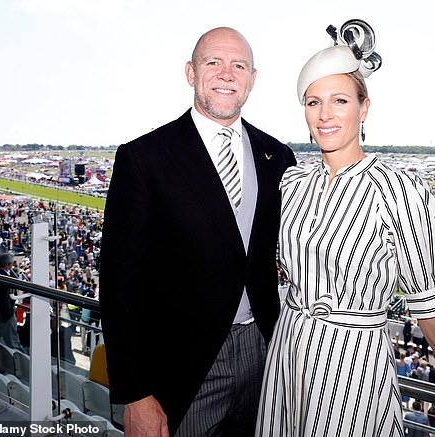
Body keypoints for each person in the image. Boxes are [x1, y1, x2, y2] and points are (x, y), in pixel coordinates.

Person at [255, 23, 435, 437]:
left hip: (352, 365)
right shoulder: (293, 183)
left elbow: (428, 302)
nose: (325, 115)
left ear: (364, 107)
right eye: (313, 102)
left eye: (339, 100)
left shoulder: (401, 191)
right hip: (286, 355)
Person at [98, 26, 296, 436]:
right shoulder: (143, 158)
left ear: (252, 80)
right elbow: (119, 285)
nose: (227, 74)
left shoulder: (277, 156)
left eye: (238, 65)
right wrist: (135, 394)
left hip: (266, 358)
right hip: (184, 369)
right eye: (214, 63)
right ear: (191, 73)